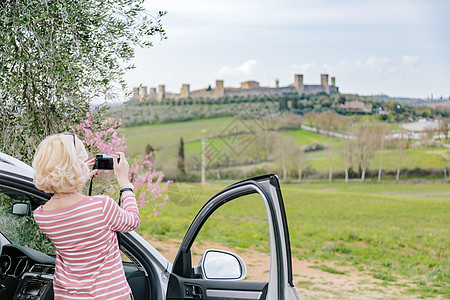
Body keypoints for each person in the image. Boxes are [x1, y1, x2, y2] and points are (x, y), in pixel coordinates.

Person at [32, 133, 139, 300]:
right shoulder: (102, 206)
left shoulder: (42, 215)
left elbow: (68, 203)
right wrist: (125, 183)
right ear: (76, 165)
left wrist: (80, 178)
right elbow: (133, 220)